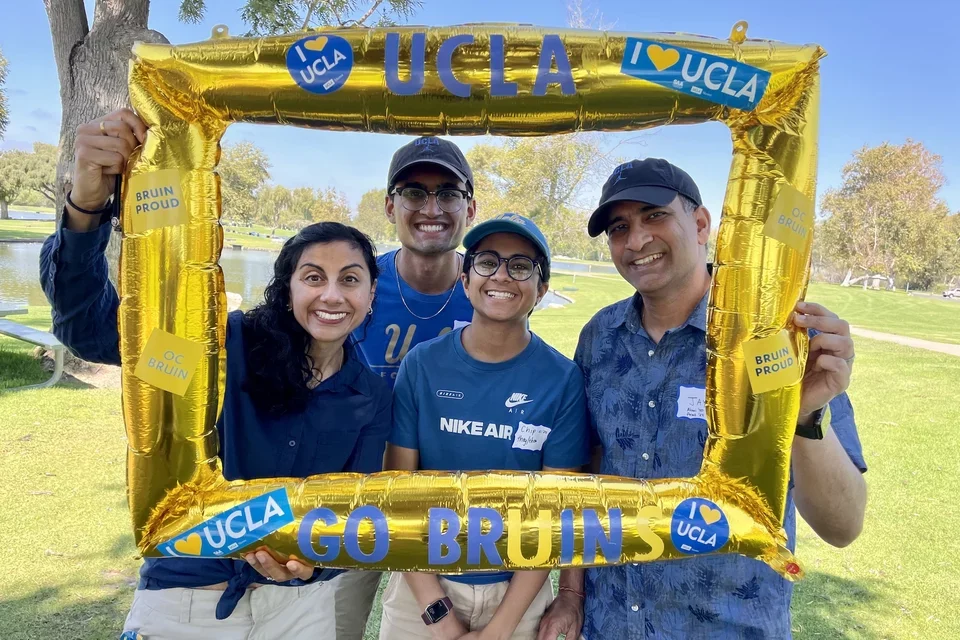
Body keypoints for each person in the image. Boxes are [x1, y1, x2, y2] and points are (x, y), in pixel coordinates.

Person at [39, 109, 392, 639]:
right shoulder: (218, 352)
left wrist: (319, 563)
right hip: (186, 597)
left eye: (350, 279)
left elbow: (355, 509)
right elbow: (91, 329)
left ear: (369, 297)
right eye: (313, 277)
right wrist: (86, 207)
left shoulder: (370, 395)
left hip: (299, 610)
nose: (332, 295)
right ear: (288, 287)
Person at [537, 158, 868, 640]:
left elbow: (842, 526)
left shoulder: (769, 335)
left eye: (654, 216)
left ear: (700, 224)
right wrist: (571, 595)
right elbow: (583, 475)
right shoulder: (599, 337)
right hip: (608, 625)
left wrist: (805, 414)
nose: (636, 240)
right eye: (619, 227)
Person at [380, 213, 591, 640]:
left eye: (520, 266)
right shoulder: (421, 364)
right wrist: (439, 615)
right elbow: (395, 497)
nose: (501, 276)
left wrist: (500, 630)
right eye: (487, 261)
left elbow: (554, 513)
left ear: (542, 289)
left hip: (519, 591)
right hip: (422, 586)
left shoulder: (562, 379)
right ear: (465, 278)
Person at [338, 136, 479, 638]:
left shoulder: (492, 289)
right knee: (330, 624)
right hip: (352, 491)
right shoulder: (356, 284)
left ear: (470, 206)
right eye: (414, 192)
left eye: (448, 192)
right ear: (390, 205)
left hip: (446, 503)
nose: (431, 207)